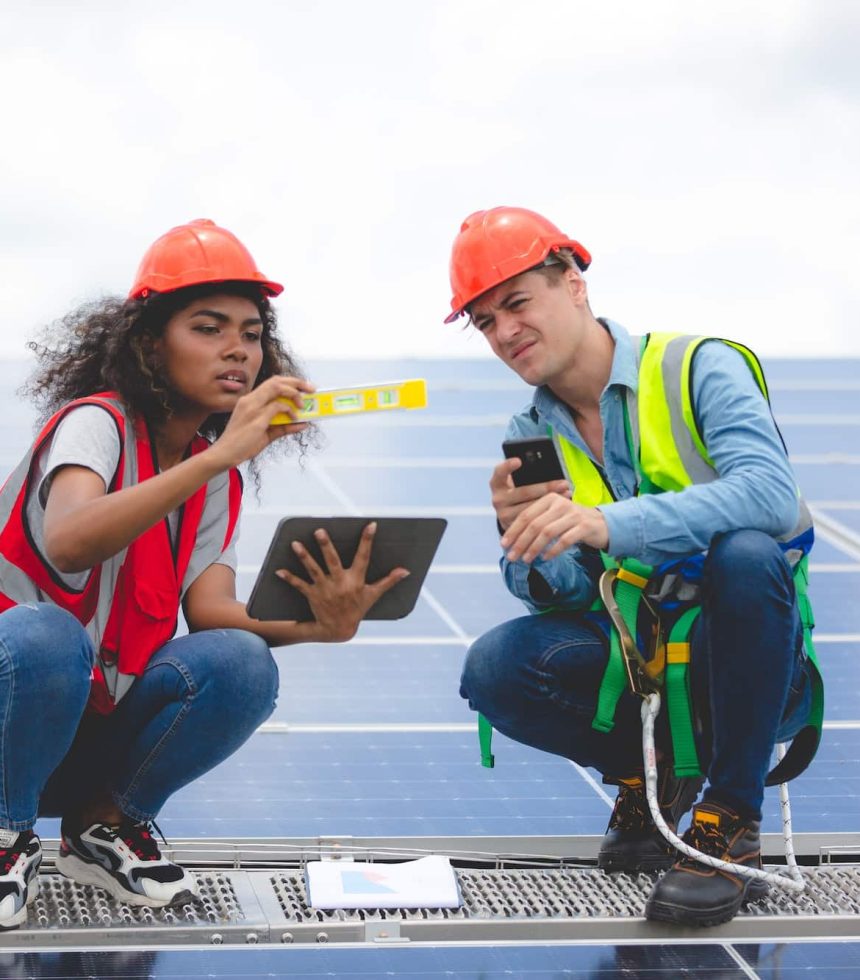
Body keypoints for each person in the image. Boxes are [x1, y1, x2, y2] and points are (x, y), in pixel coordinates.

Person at [0, 219, 408, 930]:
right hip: (15, 710)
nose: (238, 351)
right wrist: (218, 457)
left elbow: (213, 613)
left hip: (83, 729)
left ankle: (105, 826)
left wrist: (319, 626)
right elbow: (69, 542)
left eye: (251, 334)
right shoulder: (94, 424)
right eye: (209, 327)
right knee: (49, 637)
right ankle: (5, 836)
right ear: (150, 344)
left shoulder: (213, 480)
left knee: (241, 663)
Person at [448, 206, 821, 927]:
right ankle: (652, 780)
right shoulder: (529, 432)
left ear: (575, 284)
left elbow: (772, 495)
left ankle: (731, 824)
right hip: (644, 668)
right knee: (497, 665)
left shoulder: (698, 366)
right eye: (486, 321)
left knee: (745, 554)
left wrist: (606, 523)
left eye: (517, 303)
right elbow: (557, 602)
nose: (504, 333)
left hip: (750, 663)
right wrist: (520, 534)